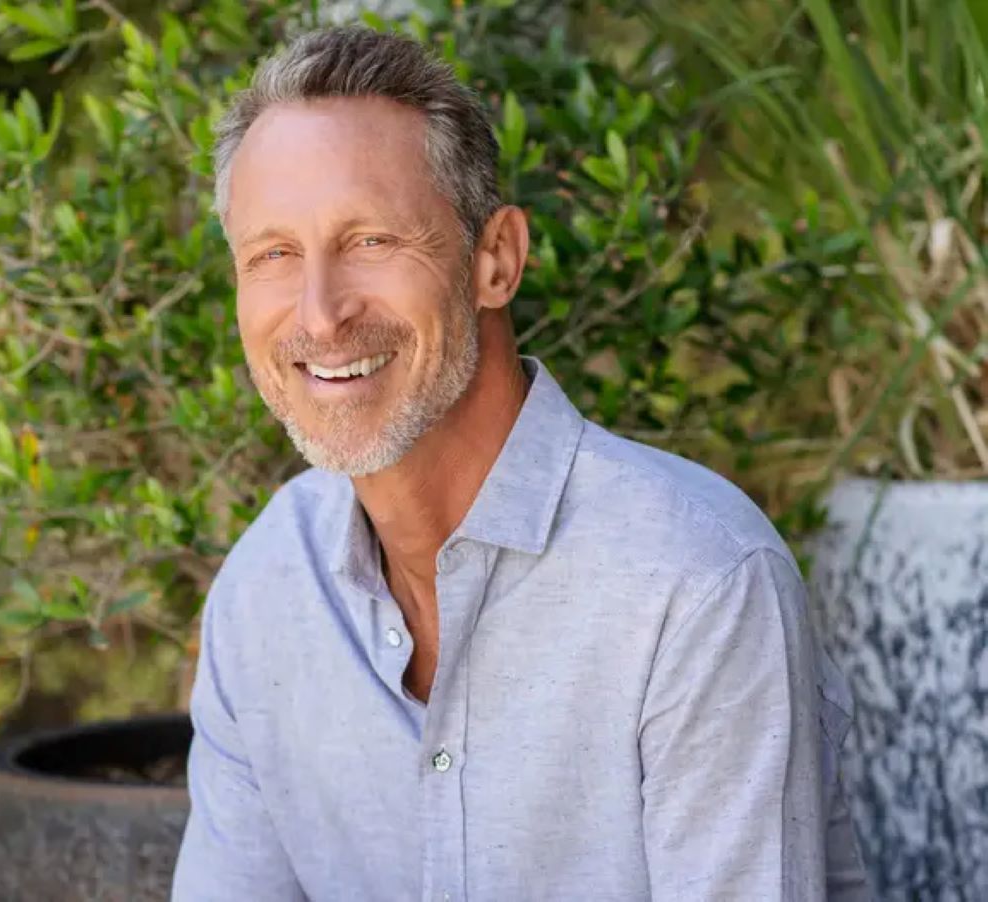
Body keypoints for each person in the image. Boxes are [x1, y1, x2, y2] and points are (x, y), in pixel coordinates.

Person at [171, 25, 870, 902]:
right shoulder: (268, 587)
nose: (320, 314)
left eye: (372, 241)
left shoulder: (693, 585)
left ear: (495, 260)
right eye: (273, 255)